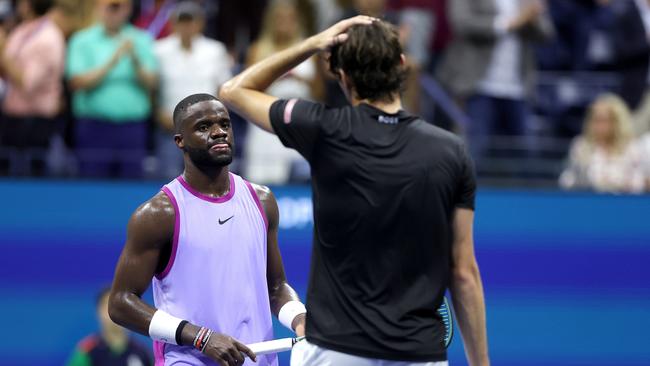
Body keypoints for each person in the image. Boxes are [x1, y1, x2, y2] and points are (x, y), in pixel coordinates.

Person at [220, 17, 489, 366]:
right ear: (402, 65)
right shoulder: (452, 151)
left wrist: (313, 43)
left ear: (342, 76)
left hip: (335, 351)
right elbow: (464, 271)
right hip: (417, 353)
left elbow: (234, 91)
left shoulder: (322, 128)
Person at [108, 93, 307, 366]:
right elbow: (120, 303)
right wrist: (200, 337)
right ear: (180, 141)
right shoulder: (158, 214)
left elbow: (275, 287)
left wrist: (300, 318)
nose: (219, 132)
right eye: (204, 127)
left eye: (225, 124)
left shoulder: (262, 201)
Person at [436, 0, 554, 164]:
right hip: (478, 86)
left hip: (518, 88)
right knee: (475, 153)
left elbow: (546, 32)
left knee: (526, 155)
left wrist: (532, 18)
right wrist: (509, 24)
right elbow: (462, 23)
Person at [66, 0, 158, 179]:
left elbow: (152, 83)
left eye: (120, 6)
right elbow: (76, 82)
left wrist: (135, 59)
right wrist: (113, 59)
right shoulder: (81, 40)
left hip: (132, 128)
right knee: (91, 184)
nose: (114, 11)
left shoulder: (141, 39)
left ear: (129, 9)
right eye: (110, 6)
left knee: (132, 187)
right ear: (98, 7)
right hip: (94, 126)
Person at [243, 0, 320, 184]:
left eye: (290, 19)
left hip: (299, 122)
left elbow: (321, 93)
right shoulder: (257, 49)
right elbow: (244, 90)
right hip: (264, 124)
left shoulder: (309, 49)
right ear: (271, 21)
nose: (284, 23)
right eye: (280, 19)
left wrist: (302, 79)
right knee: (262, 184)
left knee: (302, 182)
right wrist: (275, 78)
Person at [154, 1, 232, 180]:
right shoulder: (159, 50)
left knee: (211, 175)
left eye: (191, 21)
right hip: (170, 126)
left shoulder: (215, 50)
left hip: (207, 128)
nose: (187, 26)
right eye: (182, 21)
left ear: (200, 23)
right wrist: (158, 112)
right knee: (167, 177)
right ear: (174, 23)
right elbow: (151, 88)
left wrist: (217, 121)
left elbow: (224, 89)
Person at [0, 0, 65, 176]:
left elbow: (28, 83)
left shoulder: (48, 38)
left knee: (32, 181)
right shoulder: (21, 30)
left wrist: (2, 49)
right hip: (12, 118)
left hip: (35, 123)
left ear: (29, 4)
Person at [559, 93, 645, 193]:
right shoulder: (581, 146)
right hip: (590, 203)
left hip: (623, 203)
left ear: (617, 122)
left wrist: (616, 184)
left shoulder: (631, 148)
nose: (598, 126)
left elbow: (639, 183)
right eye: (595, 120)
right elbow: (566, 180)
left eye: (604, 120)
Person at [66, 287, 152, 366]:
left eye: (120, 307)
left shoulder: (143, 353)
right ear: (98, 312)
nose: (114, 312)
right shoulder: (86, 352)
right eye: (107, 306)